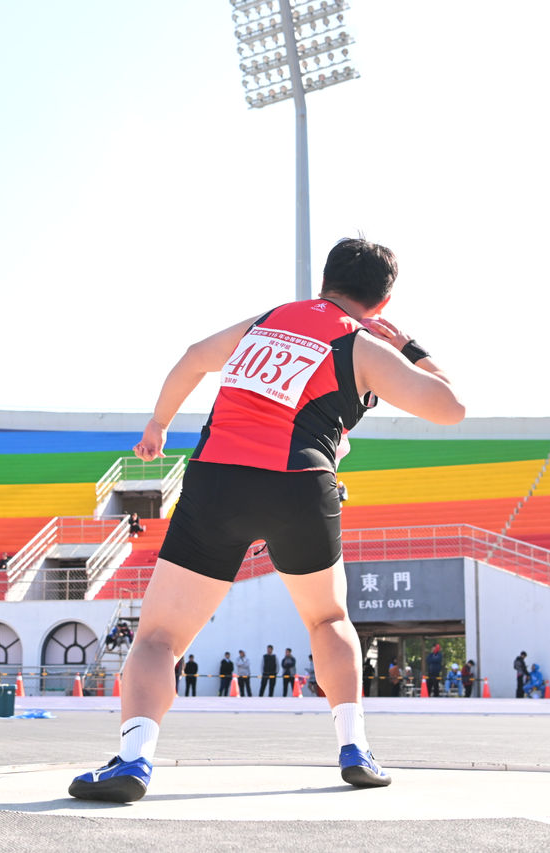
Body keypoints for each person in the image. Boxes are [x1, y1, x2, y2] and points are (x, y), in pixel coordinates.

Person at [69, 237, 465, 802]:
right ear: (382, 302)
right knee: (328, 619)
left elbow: (194, 355)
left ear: (325, 281)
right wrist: (409, 347)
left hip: (218, 480)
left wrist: (158, 424)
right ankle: (355, 748)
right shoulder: (363, 346)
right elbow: (451, 408)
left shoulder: (268, 320)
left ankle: (133, 760)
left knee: (158, 637)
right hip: (300, 485)